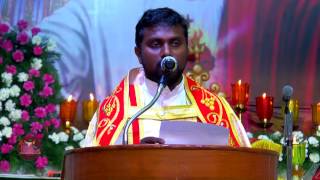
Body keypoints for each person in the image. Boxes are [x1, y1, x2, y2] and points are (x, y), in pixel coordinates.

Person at [84, 7, 250, 147]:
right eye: (156, 44)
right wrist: (132, 159)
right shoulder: (115, 113)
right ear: (139, 54)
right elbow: (91, 169)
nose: (167, 52)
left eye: (175, 43)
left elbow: (242, 167)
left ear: (188, 50)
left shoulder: (216, 110)